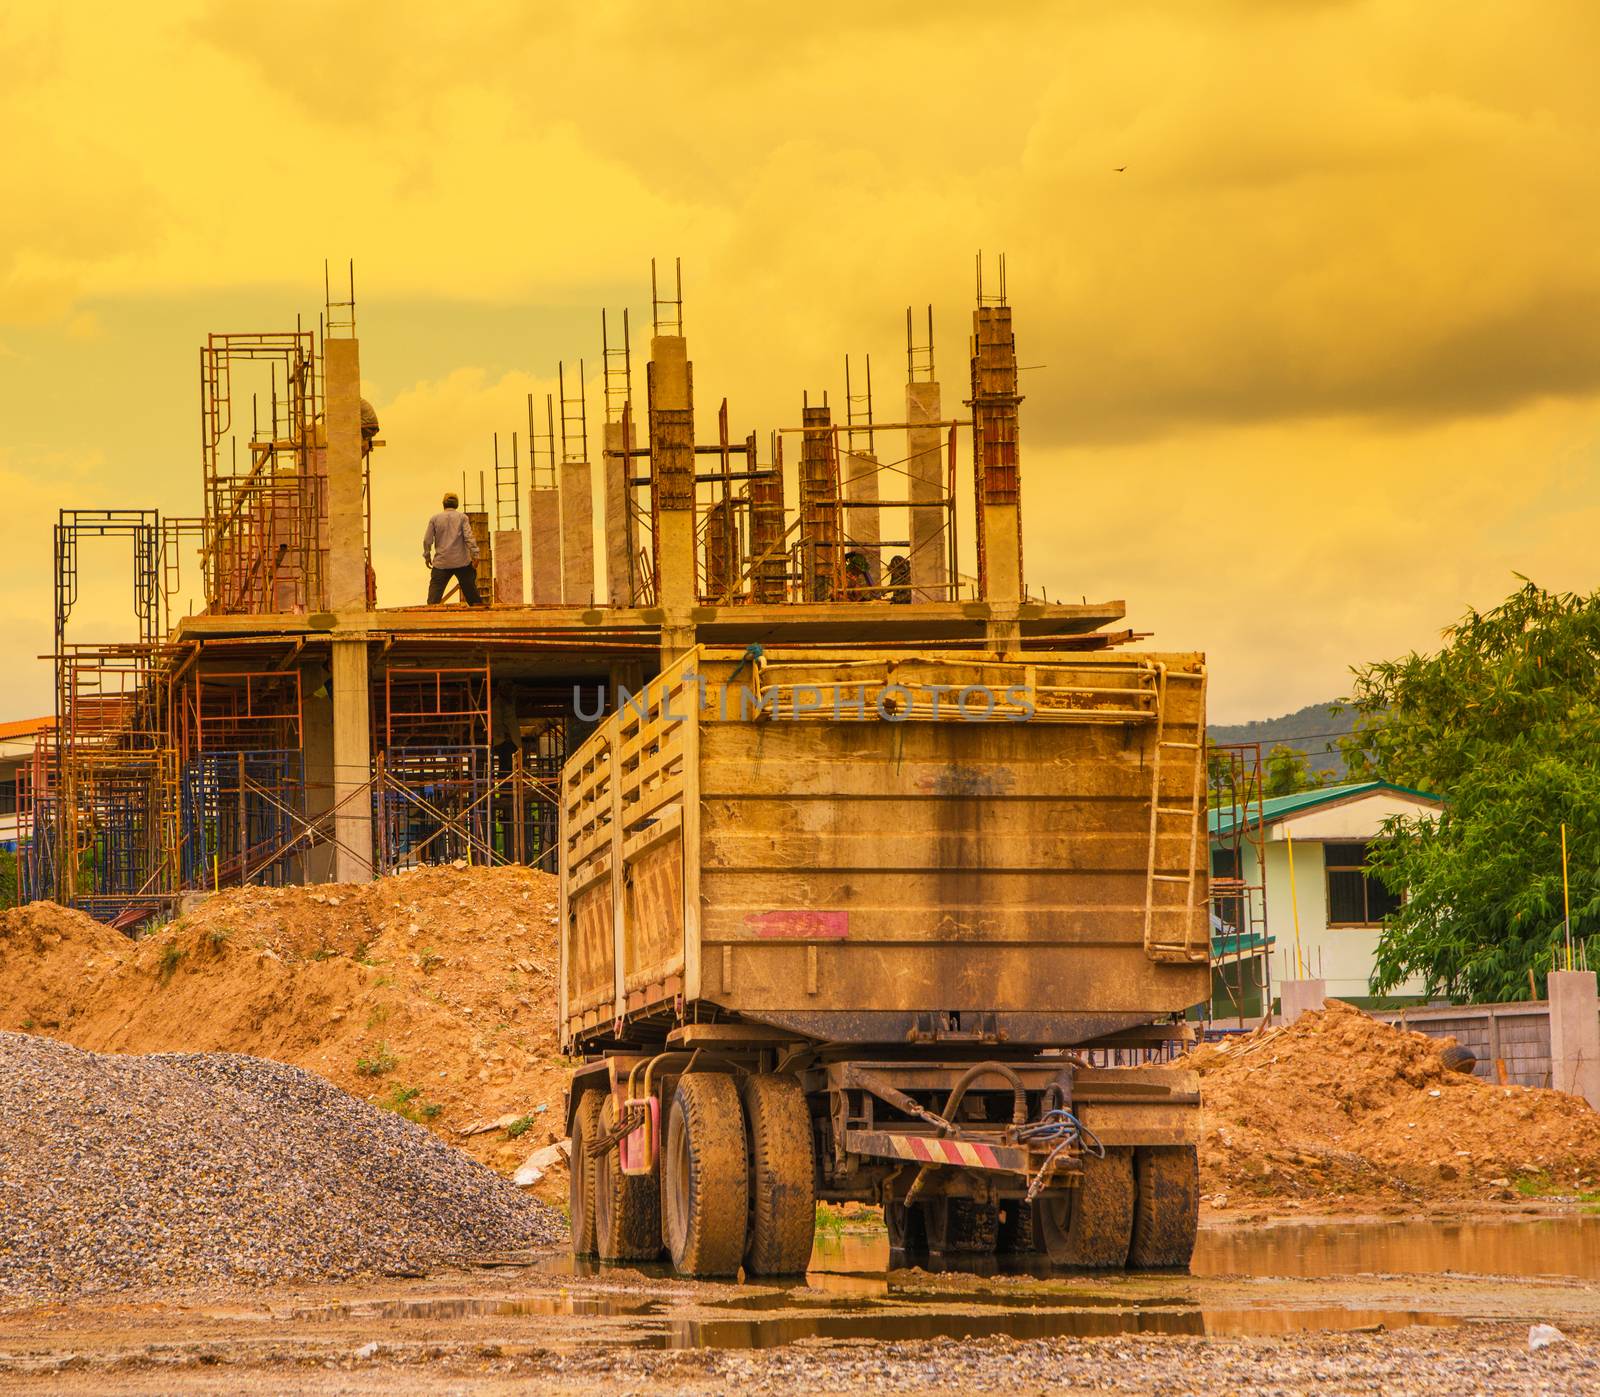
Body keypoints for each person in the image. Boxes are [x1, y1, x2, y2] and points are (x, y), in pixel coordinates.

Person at [423, 493, 484, 605]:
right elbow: (469, 537)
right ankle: (481, 616)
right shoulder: (462, 518)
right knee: (473, 596)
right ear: (456, 504)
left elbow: (427, 540)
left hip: (441, 564)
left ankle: (430, 617)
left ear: (443, 504)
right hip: (462, 563)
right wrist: (475, 554)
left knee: (433, 600)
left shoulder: (435, 519)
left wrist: (427, 556)